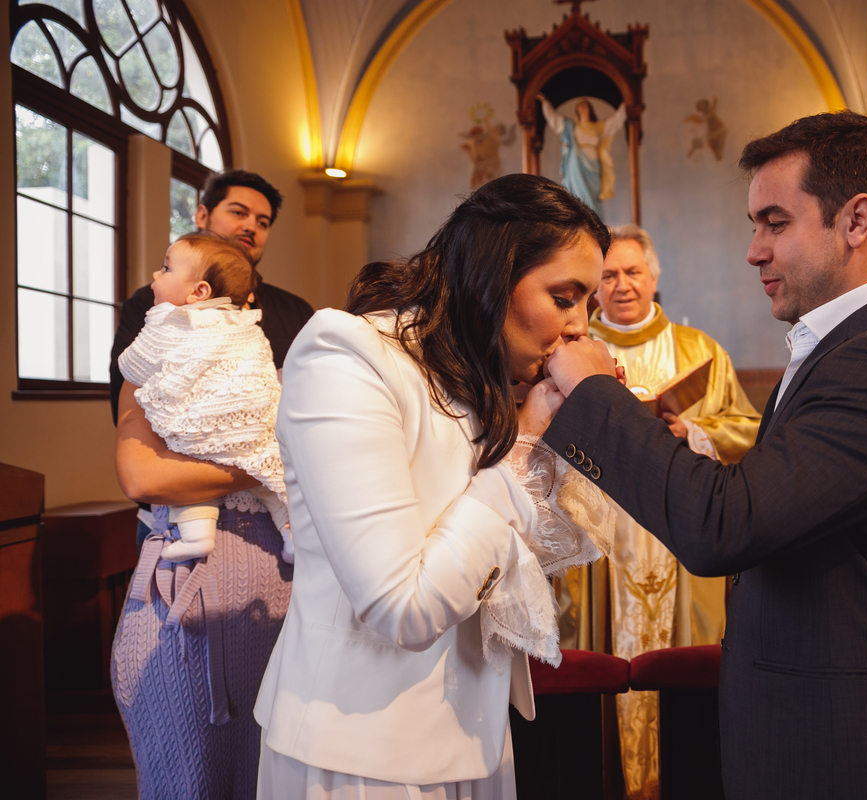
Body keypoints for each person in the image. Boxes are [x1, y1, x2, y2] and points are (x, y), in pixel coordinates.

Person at [541, 111, 867, 799]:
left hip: (847, 749)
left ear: (856, 221)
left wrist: (594, 393)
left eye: (775, 222)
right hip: (798, 732)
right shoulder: (837, 352)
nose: (754, 249)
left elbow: (725, 526)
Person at [253, 173, 616, 798]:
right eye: (564, 297)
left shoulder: (481, 377)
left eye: (590, 306)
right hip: (364, 746)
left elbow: (517, 555)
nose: (579, 327)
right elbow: (404, 606)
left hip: (474, 733)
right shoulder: (349, 355)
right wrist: (525, 445)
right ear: (494, 273)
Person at [581, 223, 759, 800]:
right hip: (600, 542)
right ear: (593, 285)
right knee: (596, 661)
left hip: (681, 534)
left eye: (633, 271)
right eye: (608, 274)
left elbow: (748, 429)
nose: (622, 284)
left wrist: (690, 432)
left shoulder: (699, 351)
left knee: (683, 669)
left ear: (654, 277)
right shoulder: (574, 350)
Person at [111, 273, 296, 796]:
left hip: (276, 581)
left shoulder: (272, 382)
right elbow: (143, 477)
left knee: (270, 766)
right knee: (184, 761)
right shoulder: (153, 374)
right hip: (184, 578)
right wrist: (266, 463)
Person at [109, 170, 314, 547]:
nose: (251, 226)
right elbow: (141, 470)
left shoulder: (296, 311)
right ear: (202, 216)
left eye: (263, 221)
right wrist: (274, 461)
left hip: (283, 522)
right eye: (239, 212)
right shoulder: (157, 306)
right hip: (176, 517)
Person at [117, 232, 292, 564]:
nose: (156, 275)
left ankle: (197, 536)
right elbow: (263, 368)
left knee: (185, 464)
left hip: (197, 430)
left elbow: (133, 366)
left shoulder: (167, 321)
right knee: (275, 486)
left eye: (165, 269)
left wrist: (133, 370)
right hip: (251, 429)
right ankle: (292, 534)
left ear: (199, 292)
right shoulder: (247, 324)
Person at [539, 94, 626, 220]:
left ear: (590, 108)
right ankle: (580, 221)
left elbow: (615, 122)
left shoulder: (598, 127)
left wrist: (625, 104)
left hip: (593, 167)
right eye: (580, 106)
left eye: (585, 106)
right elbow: (554, 119)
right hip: (576, 167)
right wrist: (545, 102)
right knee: (578, 196)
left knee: (592, 197)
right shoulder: (571, 127)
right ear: (577, 110)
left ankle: (596, 221)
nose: (583, 108)